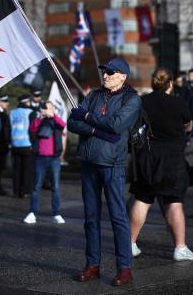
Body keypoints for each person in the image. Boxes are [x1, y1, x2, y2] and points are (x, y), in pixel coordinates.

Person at [68, 57, 141, 286]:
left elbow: (116, 125)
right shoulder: (94, 95)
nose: (106, 76)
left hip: (112, 164)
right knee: (91, 218)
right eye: (105, 72)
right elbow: (72, 122)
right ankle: (92, 264)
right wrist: (96, 128)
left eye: (110, 72)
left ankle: (124, 268)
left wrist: (88, 118)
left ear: (123, 76)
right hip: (89, 161)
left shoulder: (132, 99)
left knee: (118, 217)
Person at [129, 68, 193, 262]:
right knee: (174, 202)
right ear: (170, 84)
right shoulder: (178, 102)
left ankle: (131, 243)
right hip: (172, 157)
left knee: (142, 198)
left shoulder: (143, 101)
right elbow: (188, 125)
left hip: (148, 156)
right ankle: (180, 248)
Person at [23, 101, 66, 224]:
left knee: (56, 187)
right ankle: (32, 213)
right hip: (40, 158)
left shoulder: (56, 121)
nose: (46, 110)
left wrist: (53, 115)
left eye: (48, 108)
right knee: (36, 186)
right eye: (44, 108)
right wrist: (40, 117)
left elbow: (63, 125)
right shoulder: (39, 120)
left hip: (54, 159)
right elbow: (32, 128)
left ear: (53, 109)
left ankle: (57, 214)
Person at [10, 94, 35, 198]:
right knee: (27, 170)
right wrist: (34, 143)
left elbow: (9, 128)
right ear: (27, 102)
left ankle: (16, 191)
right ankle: (25, 191)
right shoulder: (31, 112)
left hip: (15, 144)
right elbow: (32, 130)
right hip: (27, 144)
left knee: (16, 169)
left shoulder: (12, 112)